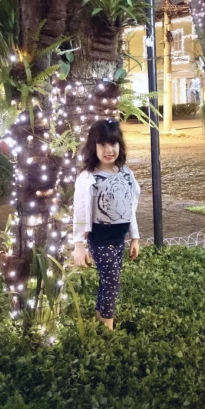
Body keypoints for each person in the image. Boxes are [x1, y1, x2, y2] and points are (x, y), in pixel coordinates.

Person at [72, 119, 141, 330]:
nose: (109, 150)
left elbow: (130, 208)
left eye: (113, 143)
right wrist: (78, 244)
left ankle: (100, 318)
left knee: (108, 280)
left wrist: (135, 237)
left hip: (119, 239)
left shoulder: (126, 174)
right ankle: (108, 328)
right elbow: (80, 212)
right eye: (102, 144)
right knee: (112, 282)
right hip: (100, 239)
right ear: (94, 146)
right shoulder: (87, 177)